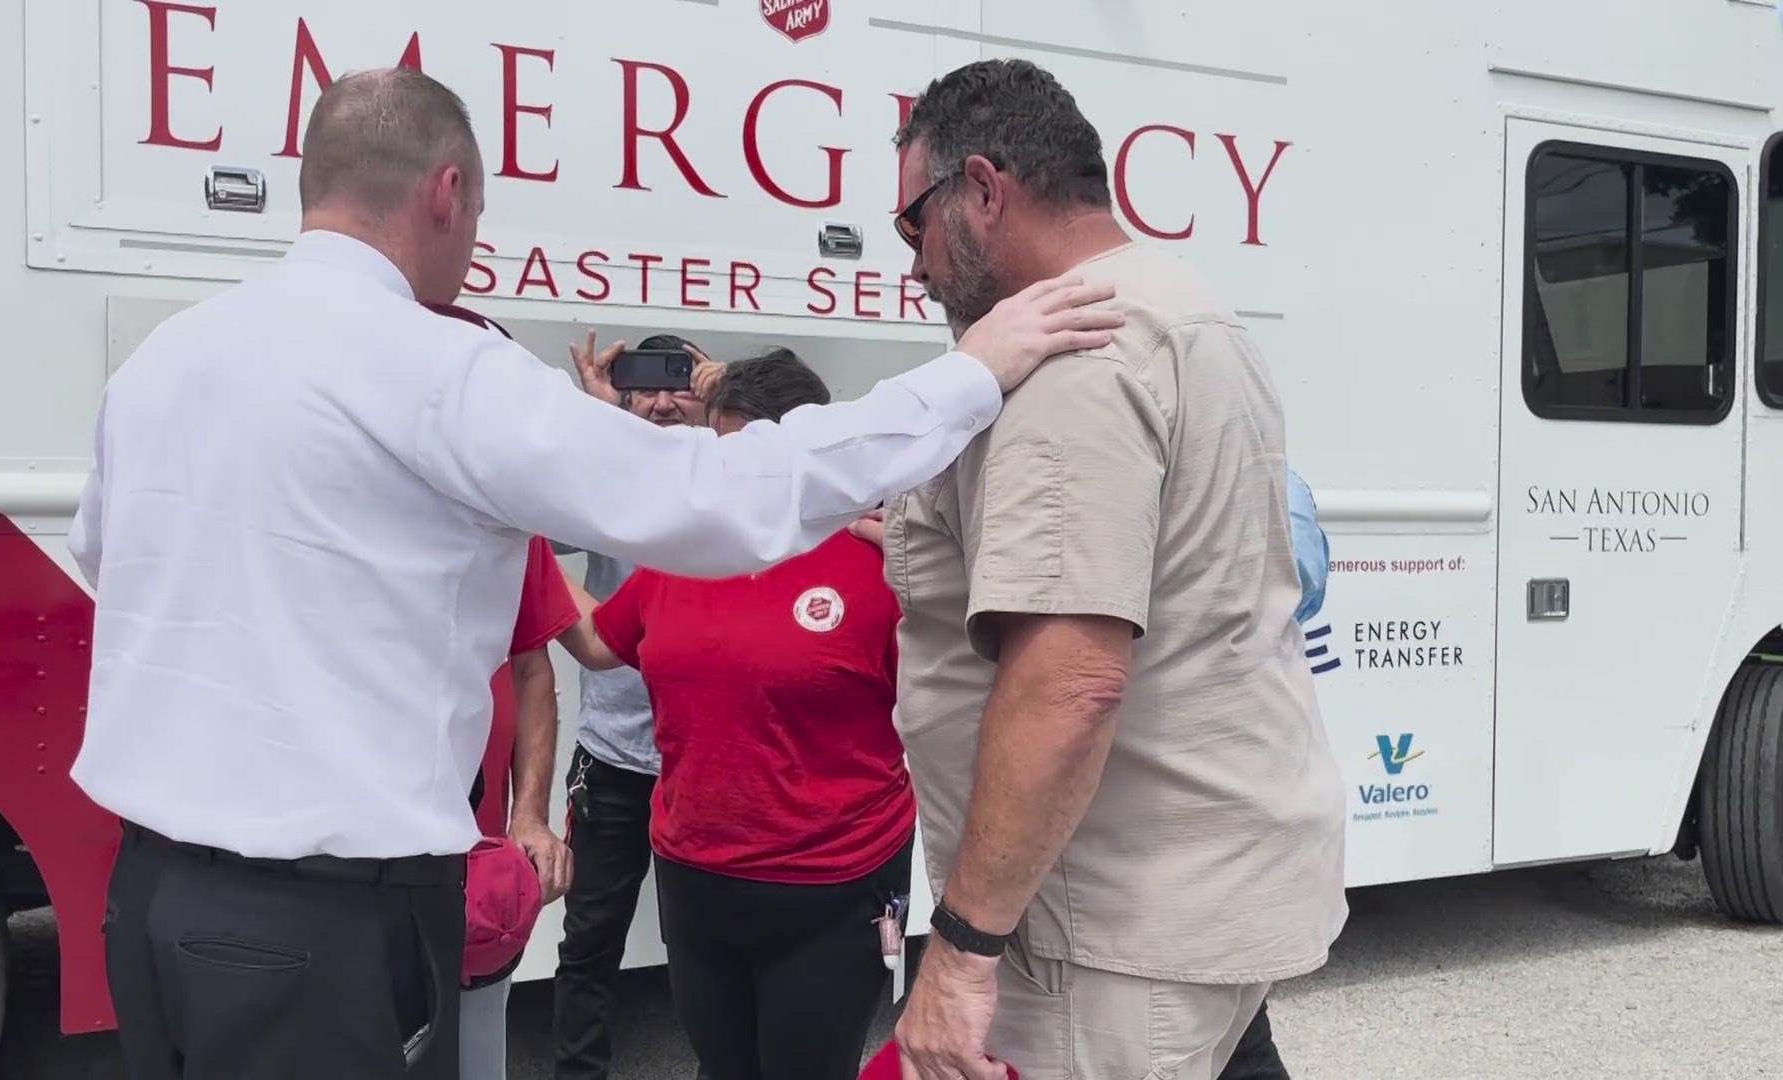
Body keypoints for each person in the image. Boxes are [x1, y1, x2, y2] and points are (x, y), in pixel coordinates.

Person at [69, 65, 1122, 1080]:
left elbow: (106, 559)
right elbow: (716, 497)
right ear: (446, 194)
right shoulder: (430, 365)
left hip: (149, 902)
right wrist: (967, 375)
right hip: (315, 926)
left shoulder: (167, 357)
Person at [880, 58, 1347, 1080]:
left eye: (913, 223)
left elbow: (1071, 683)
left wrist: (958, 953)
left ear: (986, 190)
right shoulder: (1187, 309)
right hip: (1198, 896)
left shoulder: (1071, 353)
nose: (911, 262)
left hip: (1102, 934)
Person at [553, 349, 913, 1080]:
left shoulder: (877, 561)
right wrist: (518, 560)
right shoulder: (688, 551)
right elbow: (596, 642)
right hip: (696, 877)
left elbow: (958, 710)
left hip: (832, 886)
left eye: (748, 456)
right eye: (718, 454)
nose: (728, 478)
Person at [421, 301, 579, 1080]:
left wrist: (528, 813)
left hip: (469, 866)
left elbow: (534, 668)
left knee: (474, 1054)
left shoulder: (507, 522)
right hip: (344, 866)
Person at [546, 330, 710, 1080]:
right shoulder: (605, 469)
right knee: (589, 941)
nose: (663, 399)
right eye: (645, 384)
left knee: (709, 943)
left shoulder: (732, 475)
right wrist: (600, 422)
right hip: (614, 760)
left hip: (704, 760)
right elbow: (538, 530)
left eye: (682, 381)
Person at [1217, 466, 1330, 1080]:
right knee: (1238, 1027)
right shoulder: (1276, 476)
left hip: (1191, 801)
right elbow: (1303, 596)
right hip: (1263, 778)